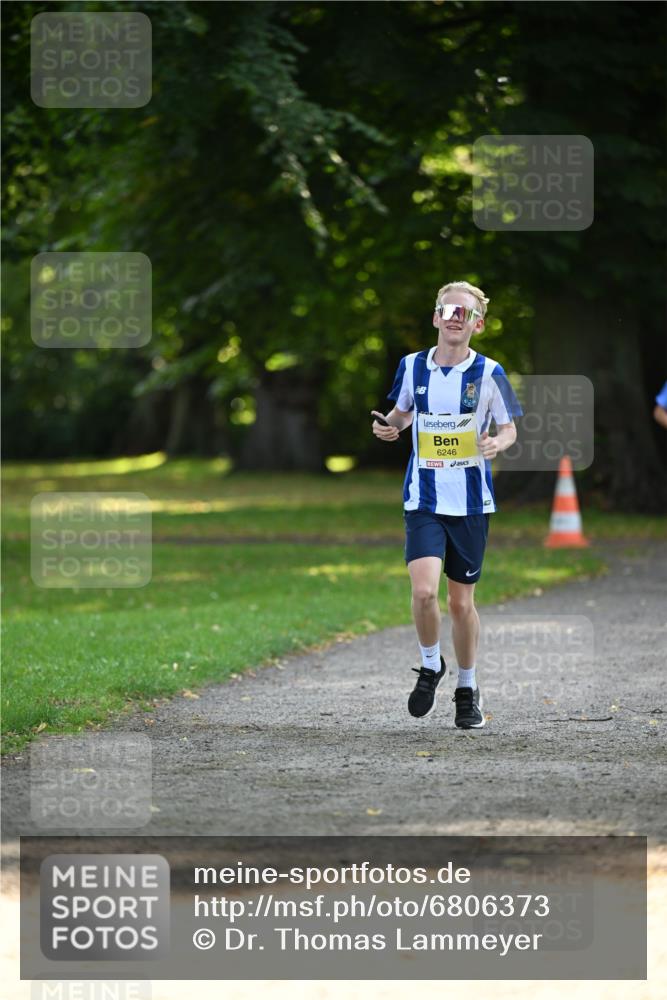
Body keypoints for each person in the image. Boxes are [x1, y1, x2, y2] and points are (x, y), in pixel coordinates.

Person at [371, 281, 522, 729]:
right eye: (448, 309)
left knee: (460, 605)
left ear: (478, 323)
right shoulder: (412, 366)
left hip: (472, 504)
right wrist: (391, 428)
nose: (456, 317)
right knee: (422, 592)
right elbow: (401, 412)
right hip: (424, 498)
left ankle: (467, 687)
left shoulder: (490, 372)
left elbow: (510, 427)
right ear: (436, 317)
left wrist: (498, 441)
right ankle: (431, 663)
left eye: (465, 312)